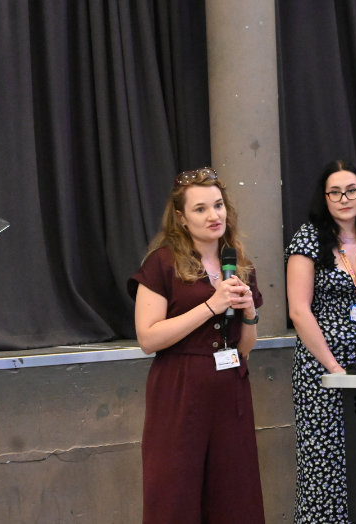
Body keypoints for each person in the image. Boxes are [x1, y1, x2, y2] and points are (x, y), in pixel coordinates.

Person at [128, 167, 265, 523]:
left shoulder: (239, 263)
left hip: (230, 387)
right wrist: (211, 306)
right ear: (181, 218)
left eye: (218, 205)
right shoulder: (162, 263)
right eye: (200, 209)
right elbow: (148, 338)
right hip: (180, 388)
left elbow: (245, 347)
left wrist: (249, 312)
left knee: (234, 495)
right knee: (174, 494)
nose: (213, 215)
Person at [285, 160, 356, 523]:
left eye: (351, 190)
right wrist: (335, 369)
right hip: (322, 372)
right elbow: (299, 311)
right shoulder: (308, 239)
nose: (344, 198)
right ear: (324, 198)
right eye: (335, 192)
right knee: (324, 468)